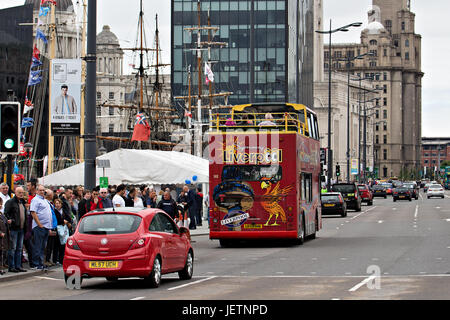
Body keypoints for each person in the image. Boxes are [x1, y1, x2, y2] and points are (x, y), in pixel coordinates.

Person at [4, 187, 27, 273]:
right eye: (19, 192)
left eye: (22, 192)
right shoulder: (10, 202)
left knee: (19, 248)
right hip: (14, 229)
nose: (21, 194)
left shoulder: (22, 202)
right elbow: (6, 214)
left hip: (21, 228)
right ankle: (12, 266)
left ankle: (18, 266)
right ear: (15, 192)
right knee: (12, 248)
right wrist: (11, 221)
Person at [30, 185, 53, 270]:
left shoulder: (45, 200)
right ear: (36, 191)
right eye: (40, 190)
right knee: (38, 245)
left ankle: (40, 262)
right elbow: (33, 212)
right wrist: (39, 224)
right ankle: (36, 263)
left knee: (43, 246)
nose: (42, 192)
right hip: (39, 226)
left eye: (43, 190)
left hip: (46, 226)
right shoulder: (35, 200)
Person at [0, 198, 9, 274]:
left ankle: (1, 267)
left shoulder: (1, 214)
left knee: (1, 253)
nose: (0, 205)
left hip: (3, 237)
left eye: (0, 204)